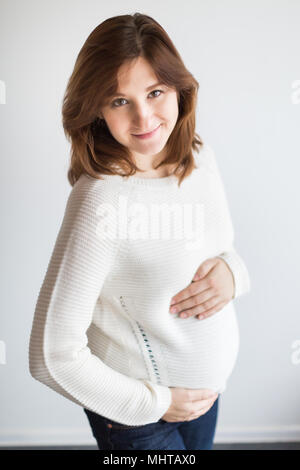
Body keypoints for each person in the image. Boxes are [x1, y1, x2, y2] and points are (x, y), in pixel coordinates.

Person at [28, 13, 251, 450]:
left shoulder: (199, 157)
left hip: (205, 398)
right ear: (95, 108)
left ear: (179, 90)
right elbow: (50, 356)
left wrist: (233, 273)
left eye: (155, 92)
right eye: (118, 101)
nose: (144, 117)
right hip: (141, 418)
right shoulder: (101, 200)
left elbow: (219, 247)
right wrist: (156, 402)